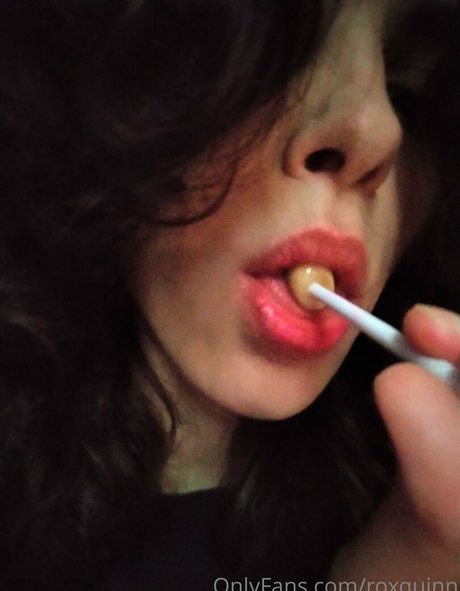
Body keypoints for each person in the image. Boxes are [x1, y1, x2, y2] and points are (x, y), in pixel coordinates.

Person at [0, 0, 459, 589]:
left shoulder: (403, 493)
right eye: (273, 57)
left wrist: (416, 554)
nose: (375, 134)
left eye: (407, 94)